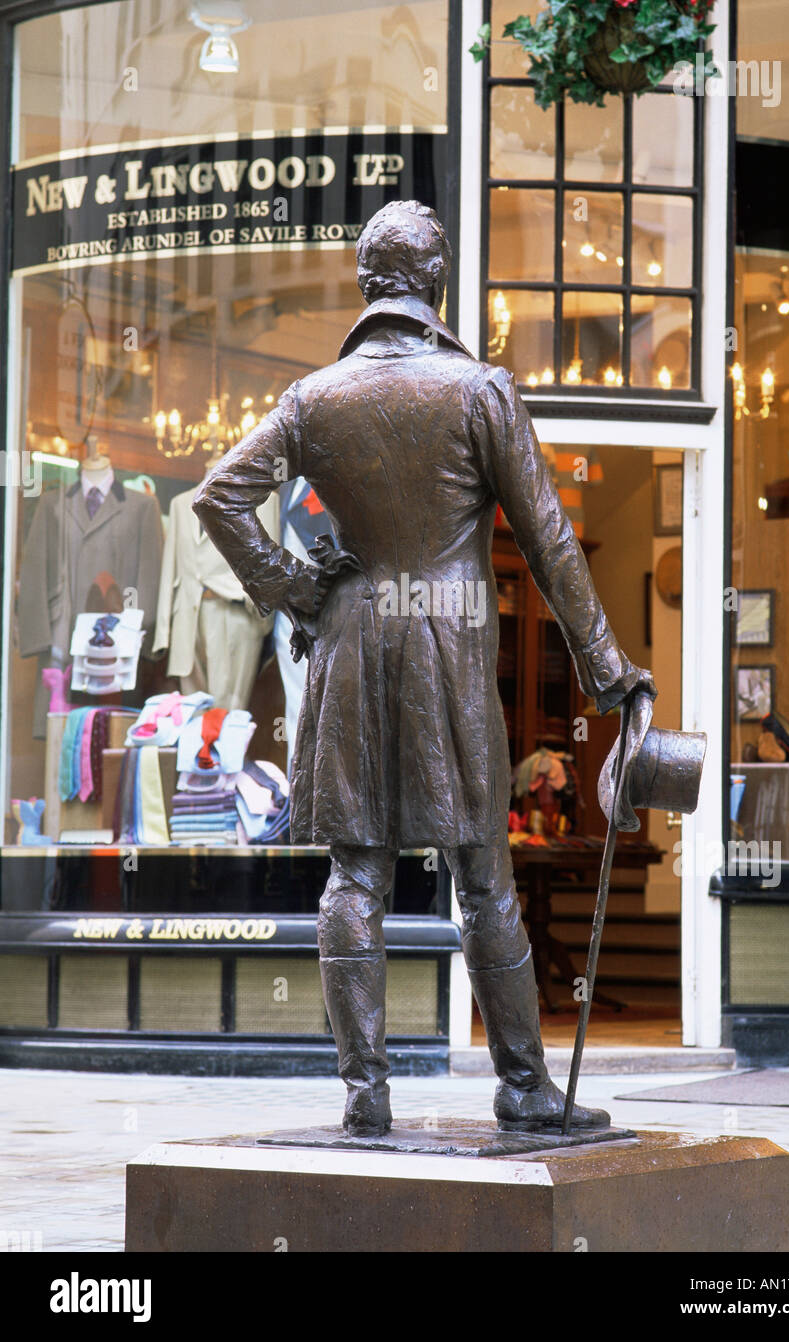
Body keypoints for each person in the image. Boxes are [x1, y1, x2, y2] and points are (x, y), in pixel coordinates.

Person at [194, 200, 655, 1137]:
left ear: (368, 286)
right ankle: (524, 1089)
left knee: (353, 876)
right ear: (435, 282)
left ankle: (366, 1097)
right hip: (443, 638)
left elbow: (217, 498)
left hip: (356, 636)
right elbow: (552, 541)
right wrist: (607, 669)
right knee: (481, 875)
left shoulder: (313, 398)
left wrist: (298, 589)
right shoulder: (480, 389)